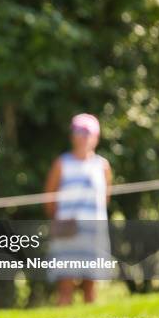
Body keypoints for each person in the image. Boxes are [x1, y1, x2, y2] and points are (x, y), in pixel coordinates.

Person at [44, 113, 113, 305]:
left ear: (96, 137)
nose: (82, 137)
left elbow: (105, 198)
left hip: (94, 232)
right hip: (67, 231)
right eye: (78, 132)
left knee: (91, 290)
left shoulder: (103, 166)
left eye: (87, 132)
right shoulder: (61, 163)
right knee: (65, 289)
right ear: (72, 136)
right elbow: (49, 199)